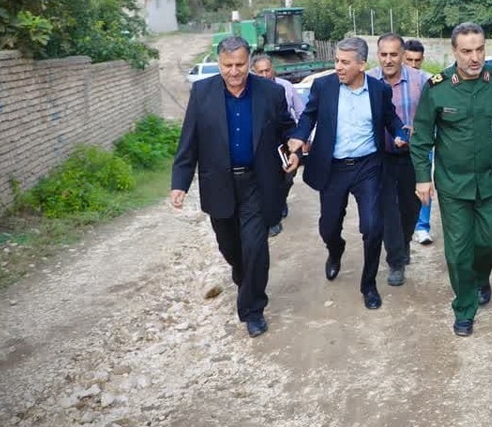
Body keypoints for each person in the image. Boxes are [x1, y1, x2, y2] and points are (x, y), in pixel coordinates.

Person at [170, 36, 295, 338]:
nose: (235, 71)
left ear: (250, 61)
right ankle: (244, 277)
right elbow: (190, 140)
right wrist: (180, 184)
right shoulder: (202, 92)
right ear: (219, 63)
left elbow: (287, 127)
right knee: (230, 248)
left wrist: (295, 149)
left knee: (255, 246)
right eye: (228, 65)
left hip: (258, 181)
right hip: (219, 184)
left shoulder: (270, 92)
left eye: (240, 64)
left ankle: (253, 309)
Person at [411, 22, 492, 337]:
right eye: (466, 51)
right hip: (453, 185)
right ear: (454, 52)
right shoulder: (437, 88)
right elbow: (421, 139)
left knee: (491, 241)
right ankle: (464, 308)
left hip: (491, 183)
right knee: (458, 251)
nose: (474, 58)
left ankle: (481, 276)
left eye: (479, 50)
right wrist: (423, 178)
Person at [285, 37, 407, 310]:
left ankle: (369, 285)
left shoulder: (378, 90)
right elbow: (308, 116)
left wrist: (400, 133)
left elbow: (390, 118)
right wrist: (298, 136)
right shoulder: (323, 86)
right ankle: (335, 250)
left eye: (344, 62)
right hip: (333, 167)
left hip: (368, 167)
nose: (338, 67)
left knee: (373, 227)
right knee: (328, 227)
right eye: (336, 61)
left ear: (362, 65)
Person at [367, 33, 426, 285]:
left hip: (411, 156)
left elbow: (430, 116)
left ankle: (403, 243)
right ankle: (396, 261)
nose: (388, 60)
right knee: (387, 209)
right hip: (378, 157)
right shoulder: (366, 80)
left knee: (410, 209)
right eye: (383, 54)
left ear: (402, 55)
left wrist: (419, 131)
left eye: (393, 54)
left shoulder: (420, 80)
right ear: (377, 55)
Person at [251, 53, 306, 237]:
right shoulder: (250, 91)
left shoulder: (285, 87)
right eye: (260, 72)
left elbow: (300, 113)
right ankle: (270, 217)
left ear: (273, 69)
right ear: (254, 72)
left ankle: (279, 202)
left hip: (285, 142)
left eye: (267, 70)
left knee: (287, 177)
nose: (265, 75)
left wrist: (301, 140)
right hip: (264, 145)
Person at [402, 39, 434, 246]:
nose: (413, 65)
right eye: (409, 60)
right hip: (391, 143)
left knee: (423, 183)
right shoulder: (382, 78)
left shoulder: (427, 81)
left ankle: (422, 227)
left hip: (421, 143)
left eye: (417, 60)